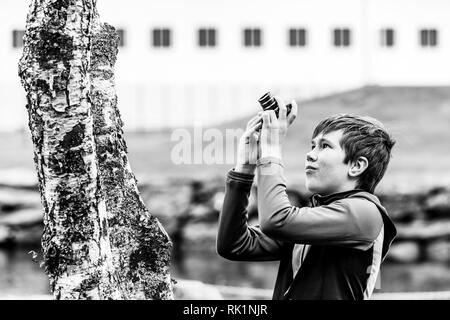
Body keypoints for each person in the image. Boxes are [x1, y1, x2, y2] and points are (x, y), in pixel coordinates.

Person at [216, 96, 397, 300]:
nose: (310, 155)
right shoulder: (315, 215)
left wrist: (271, 151)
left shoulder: (365, 213)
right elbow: (235, 245)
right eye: (312, 146)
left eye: (325, 146)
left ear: (356, 166)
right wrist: (246, 167)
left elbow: (277, 220)